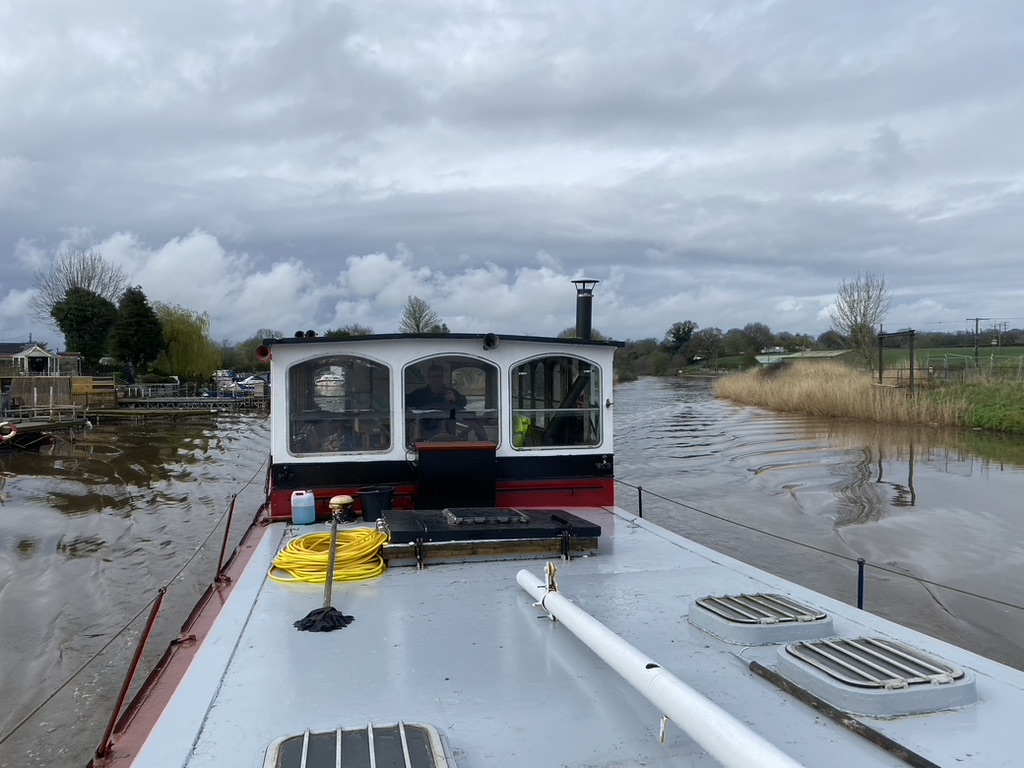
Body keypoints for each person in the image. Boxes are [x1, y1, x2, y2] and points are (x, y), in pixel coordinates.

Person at [406, 364, 467, 439]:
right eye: (433, 377)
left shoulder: (451, 392)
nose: (436, 379)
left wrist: (456, 399)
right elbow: (404, 401)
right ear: (428, 378)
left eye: (439, 376)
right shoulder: (419, 394)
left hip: (450, 431)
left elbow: (464, 403)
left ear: (442, 378)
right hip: (424, 430)